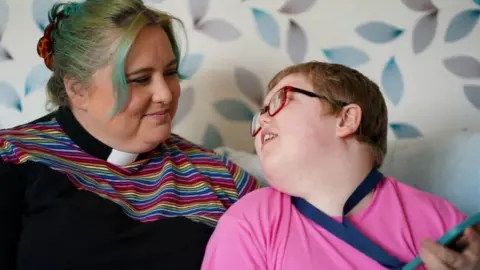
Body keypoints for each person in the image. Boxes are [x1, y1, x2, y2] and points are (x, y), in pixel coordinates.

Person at [0, 1, 259, 269]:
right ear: (78, 89)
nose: (166, 95)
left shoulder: (222, 177)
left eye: (170, 73)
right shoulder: (12, 156)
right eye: (140, 79)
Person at [201, 61, 480, 269]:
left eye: (279, 100)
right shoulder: (248, 223)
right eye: (258, 115)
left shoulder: (439, 220)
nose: (261, 121)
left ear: (345, 120)